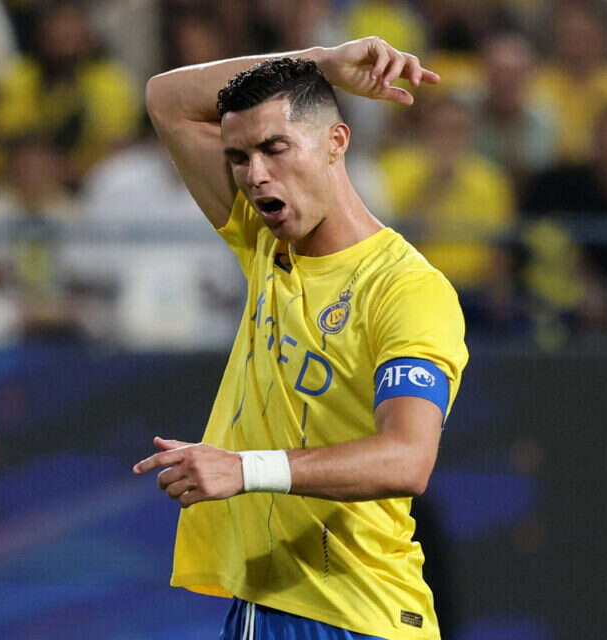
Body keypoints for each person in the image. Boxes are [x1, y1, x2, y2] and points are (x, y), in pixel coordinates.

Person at [132, 38, 469, 639]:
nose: (255, 174)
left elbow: (408, 458)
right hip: (283, 601)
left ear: (336, 142)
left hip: (348, 612)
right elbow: (166, 98)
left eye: (275, 147)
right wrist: (322, 63)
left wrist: (245, 469)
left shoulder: (405, 289)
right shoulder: (264, 240)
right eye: (238, 157)